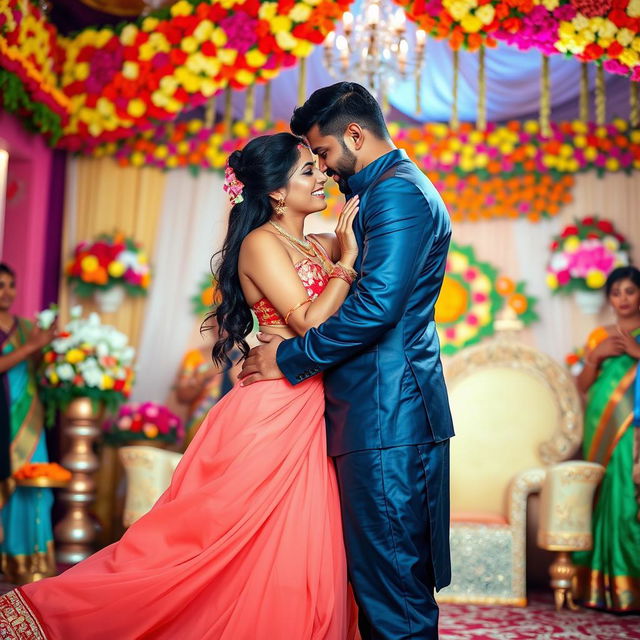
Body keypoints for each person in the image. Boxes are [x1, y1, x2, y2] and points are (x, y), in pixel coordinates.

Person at [0, 134, 361, 639]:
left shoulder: (318, 244)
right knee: (213, 544)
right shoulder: (261, 242)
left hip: (316, 404)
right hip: (274, 410)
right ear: (277, 192)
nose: (322, 175)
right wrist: (348, 261)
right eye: (307, 169)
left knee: (300, 541)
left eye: (317, 167)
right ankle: (61, 612)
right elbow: (311, 324)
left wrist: (342, 255)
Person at [240, 82, 454, 639]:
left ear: (354, 134)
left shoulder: (396, 194)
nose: (326, 172)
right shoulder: (384, 192)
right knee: (382, 579)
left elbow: (378, 308)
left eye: (326, 155)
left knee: (392, 586)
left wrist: (289, 357)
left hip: (386, 410)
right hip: (372, 409)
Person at [574, 265, 640, 613]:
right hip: (600, 426)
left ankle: (630, 584)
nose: (623, 299)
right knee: (603, 497)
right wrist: (595, 356)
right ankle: (601, 588)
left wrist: (636, 352)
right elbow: (582, 387)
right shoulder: (599, 335)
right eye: (616, 293)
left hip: (633, 429)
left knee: (629, 497)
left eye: (630, 291)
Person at [0, 263, 57, 585]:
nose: (6, 292)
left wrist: (49, 348)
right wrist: (32, 346)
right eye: (0, 285)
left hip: (30, 414)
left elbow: (34, 367)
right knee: (7, 479)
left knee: (34, 481)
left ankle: (33, 557)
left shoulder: (25, 327)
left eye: (11, 284)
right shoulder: (26, 336)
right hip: (3, 414)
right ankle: (8, 556)